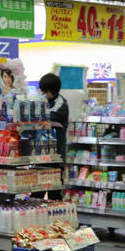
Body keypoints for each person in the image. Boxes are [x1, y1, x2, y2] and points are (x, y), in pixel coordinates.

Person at [40, 73, 69, 201]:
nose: (43, 94)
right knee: (37, 192)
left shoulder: (61, 104)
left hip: (56, 156)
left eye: (45, 91)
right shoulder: (43, 100)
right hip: (41, 154)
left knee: (54, 194)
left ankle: (57, 219)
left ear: (50, 91)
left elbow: (48, 116)